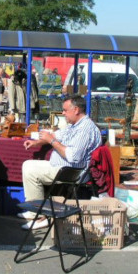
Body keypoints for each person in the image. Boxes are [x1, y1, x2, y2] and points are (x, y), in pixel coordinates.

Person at [19, 95, 101, 230]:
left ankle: (40, 216)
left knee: (30, 170)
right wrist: (36, 142)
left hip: (72, 172)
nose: (63, 113)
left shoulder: (85, 129)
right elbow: (57, 135)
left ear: (76, 110)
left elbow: (73, 156)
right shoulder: (74, 125)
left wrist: (51, 141)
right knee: (28, 165)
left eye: (65, 110)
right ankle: (36, 210)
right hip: (65, 168)